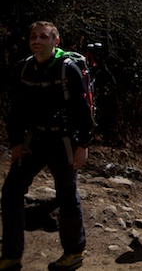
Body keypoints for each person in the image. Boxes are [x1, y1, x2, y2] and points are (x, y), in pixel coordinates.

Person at [0, 21, 94, 271]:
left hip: (63, 141)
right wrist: (17, 142)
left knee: (66, 194)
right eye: (33, 36)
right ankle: (11, 255)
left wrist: (82, 144)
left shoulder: (68, 70)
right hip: (33, 140)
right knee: (11, 192)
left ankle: (74, 252)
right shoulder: (24, 69)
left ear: (55, 41)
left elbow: (83, 111)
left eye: (43, 36)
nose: (37, 41)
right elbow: (16, 110)